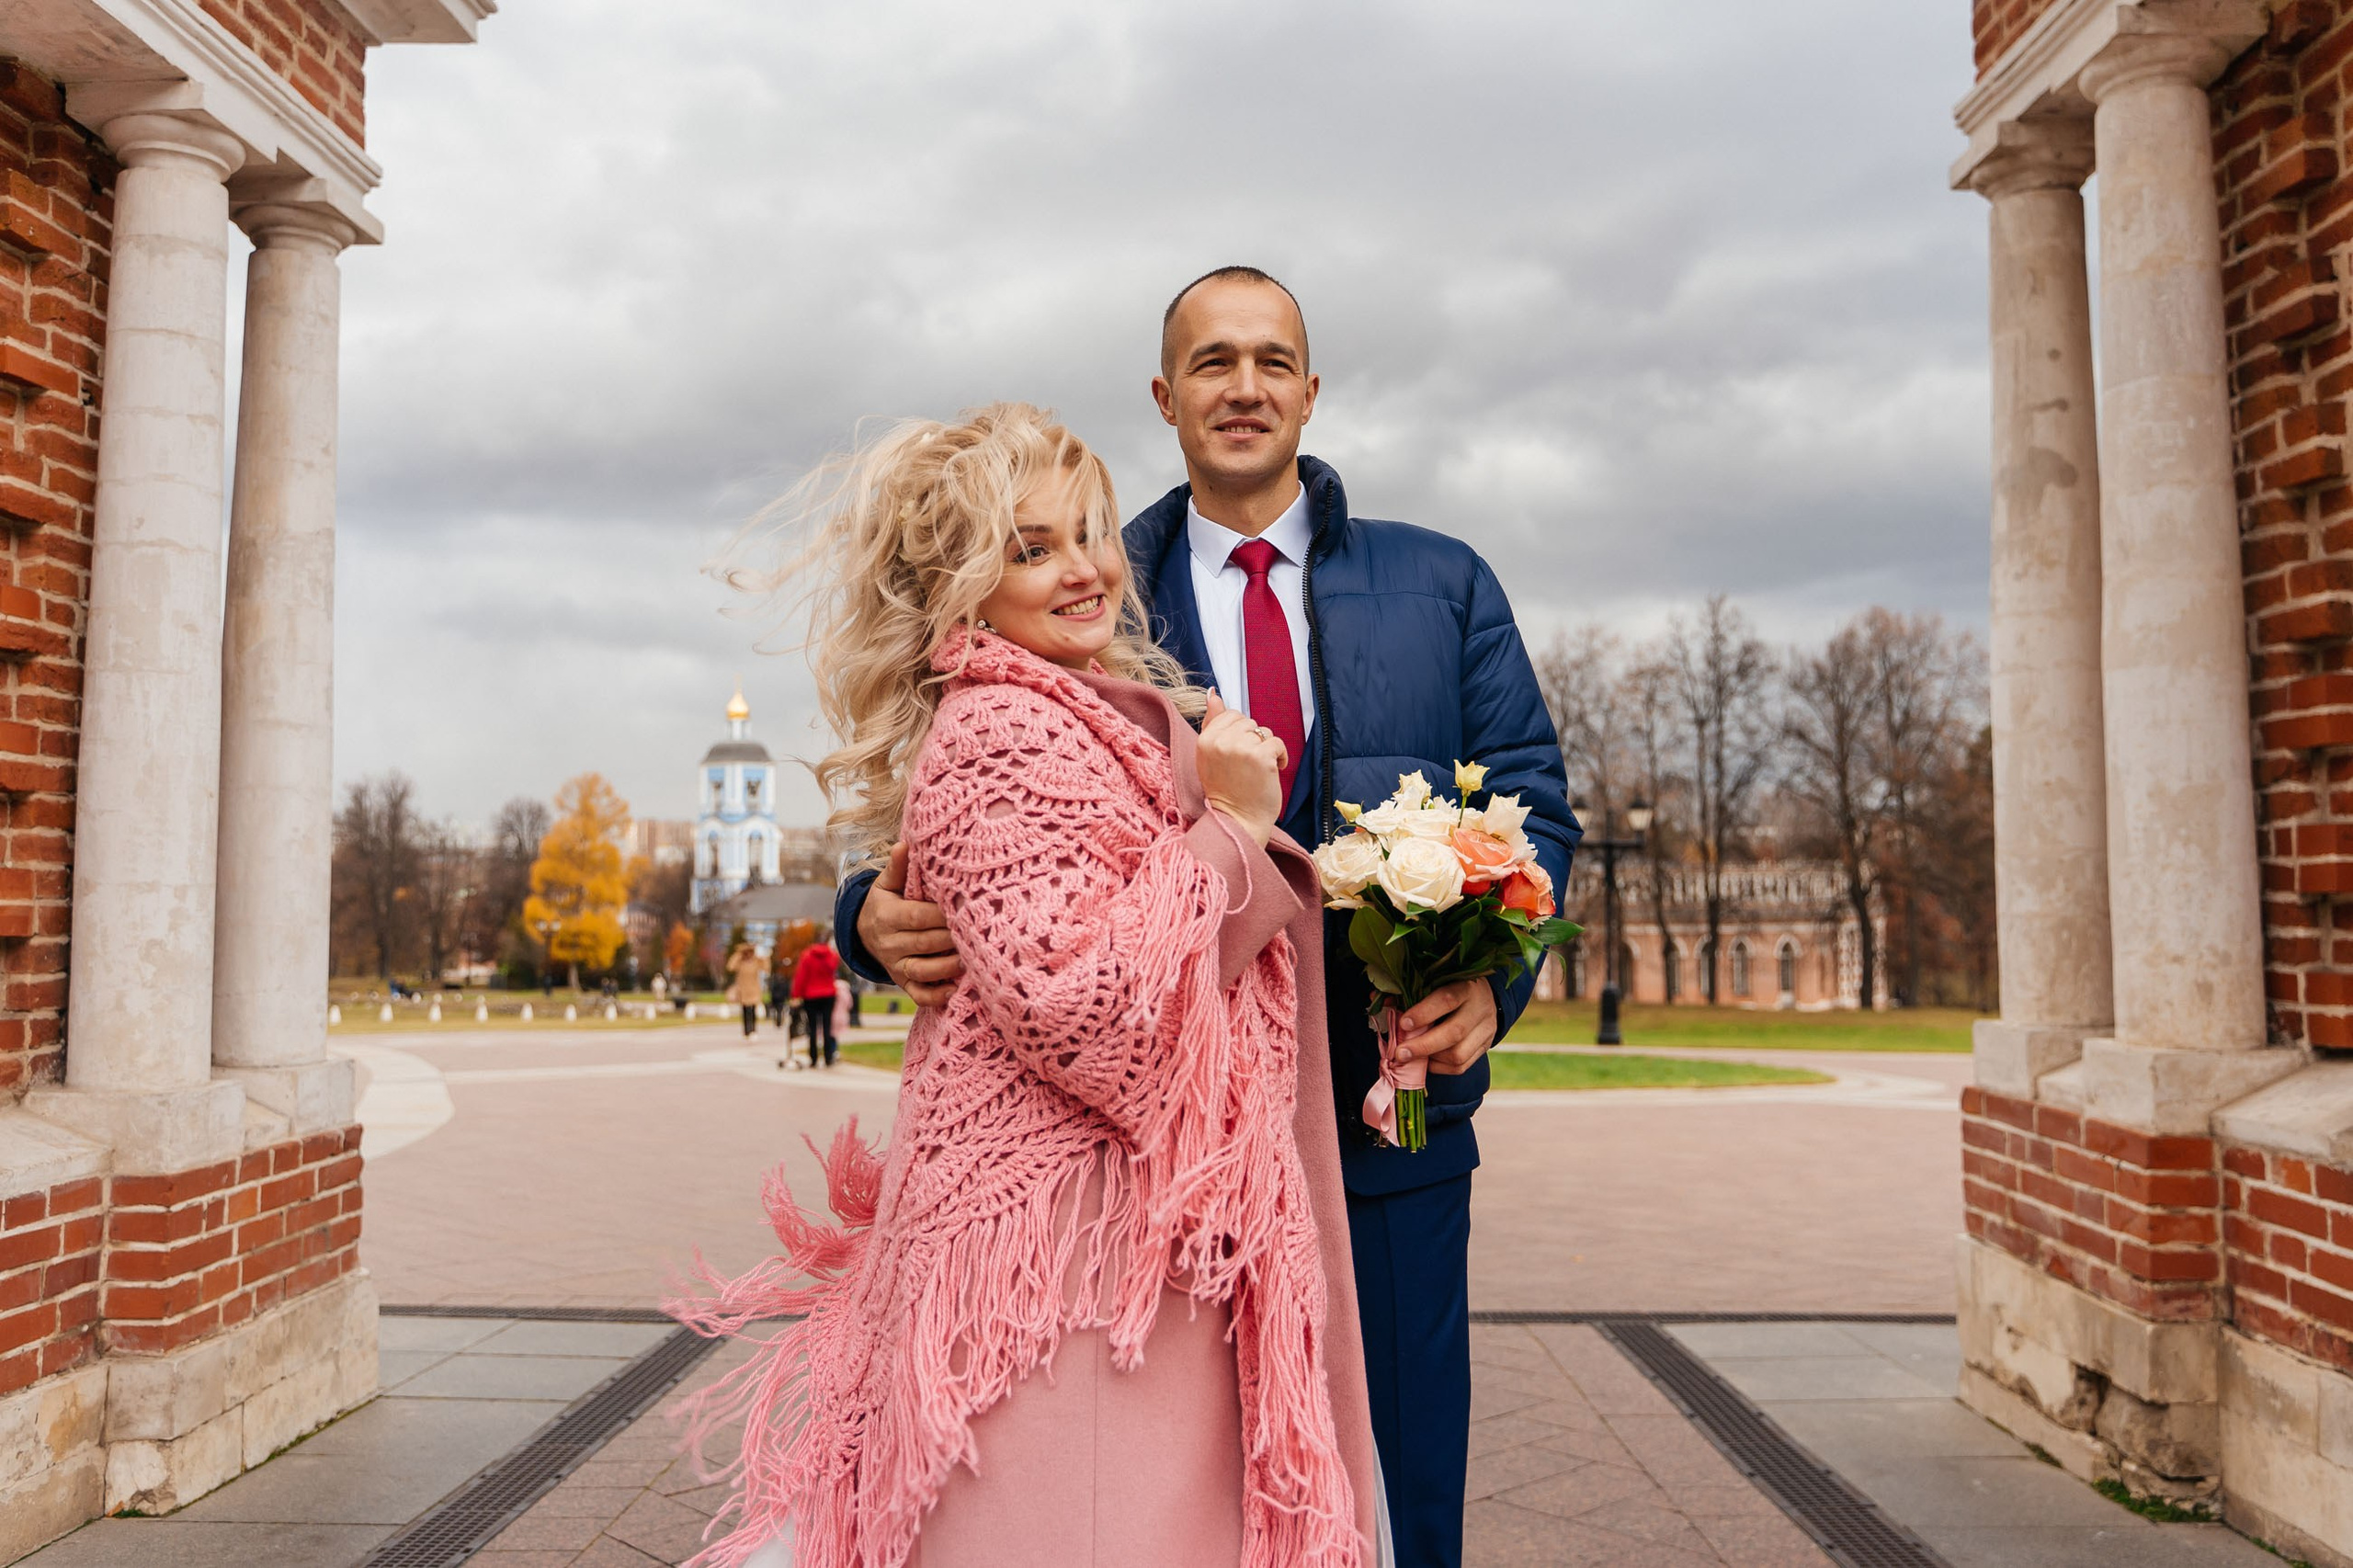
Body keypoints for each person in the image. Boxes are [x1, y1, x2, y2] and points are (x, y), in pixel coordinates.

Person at [835, 270, 1577, 1568]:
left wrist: (1490, 984)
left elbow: (1533, 809)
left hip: (1386, 1120)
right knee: (1196, 1502)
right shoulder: (1096, 588)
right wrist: (865, 916)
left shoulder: (1443, 581)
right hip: (1164, 1145)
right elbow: (972, 801)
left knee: (1396, 1485)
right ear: (1166, 396)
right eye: (1215, 361)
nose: (1246, 386)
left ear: (1310, 386)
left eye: (1273, 359)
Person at [672, 404, 1381, 1568]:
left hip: (1126, 1248)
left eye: (1092, 530)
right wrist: (1236, 828)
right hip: (1068, 1273)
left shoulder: (1081, 713)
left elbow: (1146, 954)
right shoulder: (1002, 733)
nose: (1085, 567)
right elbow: (1087, 1007)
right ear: (960, 583)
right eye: (1030, 545)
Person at [790, 937, 839, 1067]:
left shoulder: (807, 956)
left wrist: (796, 995)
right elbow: (834, 969)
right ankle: (828, 1057)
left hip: (811, 995)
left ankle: (813, 1058)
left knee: (812, 1028)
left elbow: (801, 976)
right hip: (828, 994)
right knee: (827, 1027)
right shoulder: (831, 955)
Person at [724, 942, 764, 1039]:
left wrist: (759, 955)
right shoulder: (740, 963)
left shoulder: (756, 962)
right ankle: (746, 1031)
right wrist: (738, 954)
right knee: (745, 1011)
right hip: (743, 990)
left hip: (753, 990)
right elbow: (730, 967)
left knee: (752, 1011)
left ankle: (753, 1030)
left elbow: (766, 966)